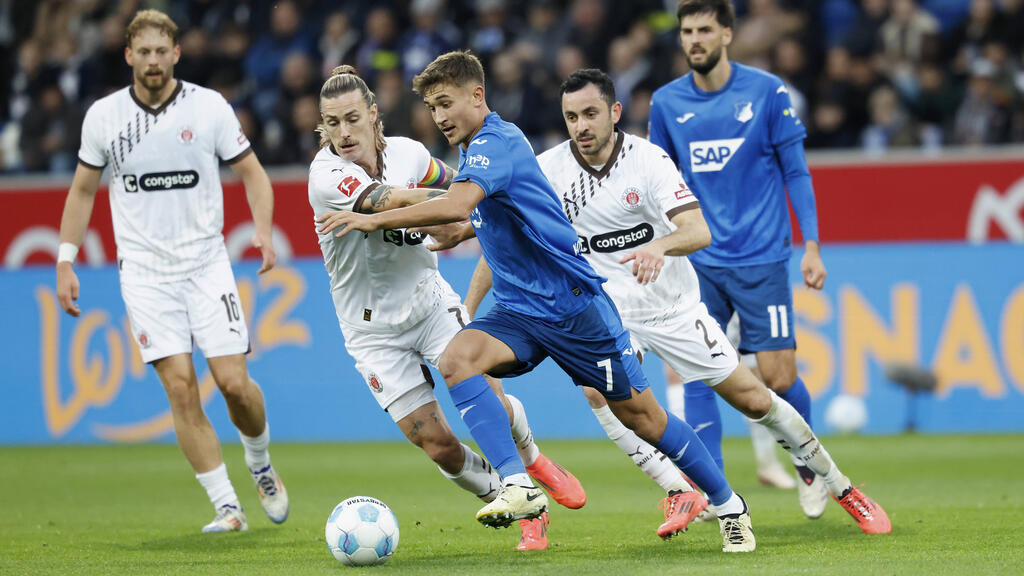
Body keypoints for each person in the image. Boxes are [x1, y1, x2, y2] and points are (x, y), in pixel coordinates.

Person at [316, 50, 755, 553]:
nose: (439, 117)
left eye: (446, 103)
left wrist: (374, 218)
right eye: (432, 107)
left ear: (477, 96)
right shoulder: (475, 151)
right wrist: (465, 226)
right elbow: (478, 210)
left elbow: (459, 200)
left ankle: (728, 503)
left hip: (572, 307)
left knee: (644, 418)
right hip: (519, 309)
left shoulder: (495, 142)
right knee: (458, 359)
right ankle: (518, 484)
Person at [527, 67, 888, 535]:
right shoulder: (549, 169)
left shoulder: (649, 160)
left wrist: (659, 245)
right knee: (600, 393)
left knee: (757, 400)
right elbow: (508, 227)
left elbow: (699, 230)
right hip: (614, 312)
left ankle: (841, 487)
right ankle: (681, 489)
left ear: (615, 113)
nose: (581, 126)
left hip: (673, 307)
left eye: (591, 113)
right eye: (572, 116)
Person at [307, 65, 585, 551]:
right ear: (322, 127)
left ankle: (532, 469)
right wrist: (463, 200)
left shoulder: (412, 153)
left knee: (492, 401)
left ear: (374, 115)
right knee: (437, 445)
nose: (344, 133)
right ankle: (511, 492)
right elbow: (390, 200)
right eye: (332, 123)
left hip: (431, 305)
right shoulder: (325, 176)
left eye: (352, 118)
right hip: (371, 332)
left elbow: (468, 183)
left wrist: (474, 195)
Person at [55, 10, 287, 533]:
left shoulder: (208, 108)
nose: (154, 60)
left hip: (206, 266)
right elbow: (83, 191)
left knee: (233, 384)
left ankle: (260, 461)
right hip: (144, 273)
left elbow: (253, 175)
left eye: (163, 51)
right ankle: (228, 506)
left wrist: (265, 231)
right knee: (181, 388)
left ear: (176, 54)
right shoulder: (105, 117)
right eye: (145, 52)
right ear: (129, 55)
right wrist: (65, 259)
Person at [647, 0, 835, 519]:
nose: (695, 40)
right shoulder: (666, 104)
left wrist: (812, 245)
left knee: (777, 376)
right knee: (699, 372)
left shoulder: (766, 92)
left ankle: (807, 465)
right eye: (687, 31)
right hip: (700, 261)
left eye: (705, 30)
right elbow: (656, 181)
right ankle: (715, 491)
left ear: (727, 34)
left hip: (761, 258)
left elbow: (796, 171)